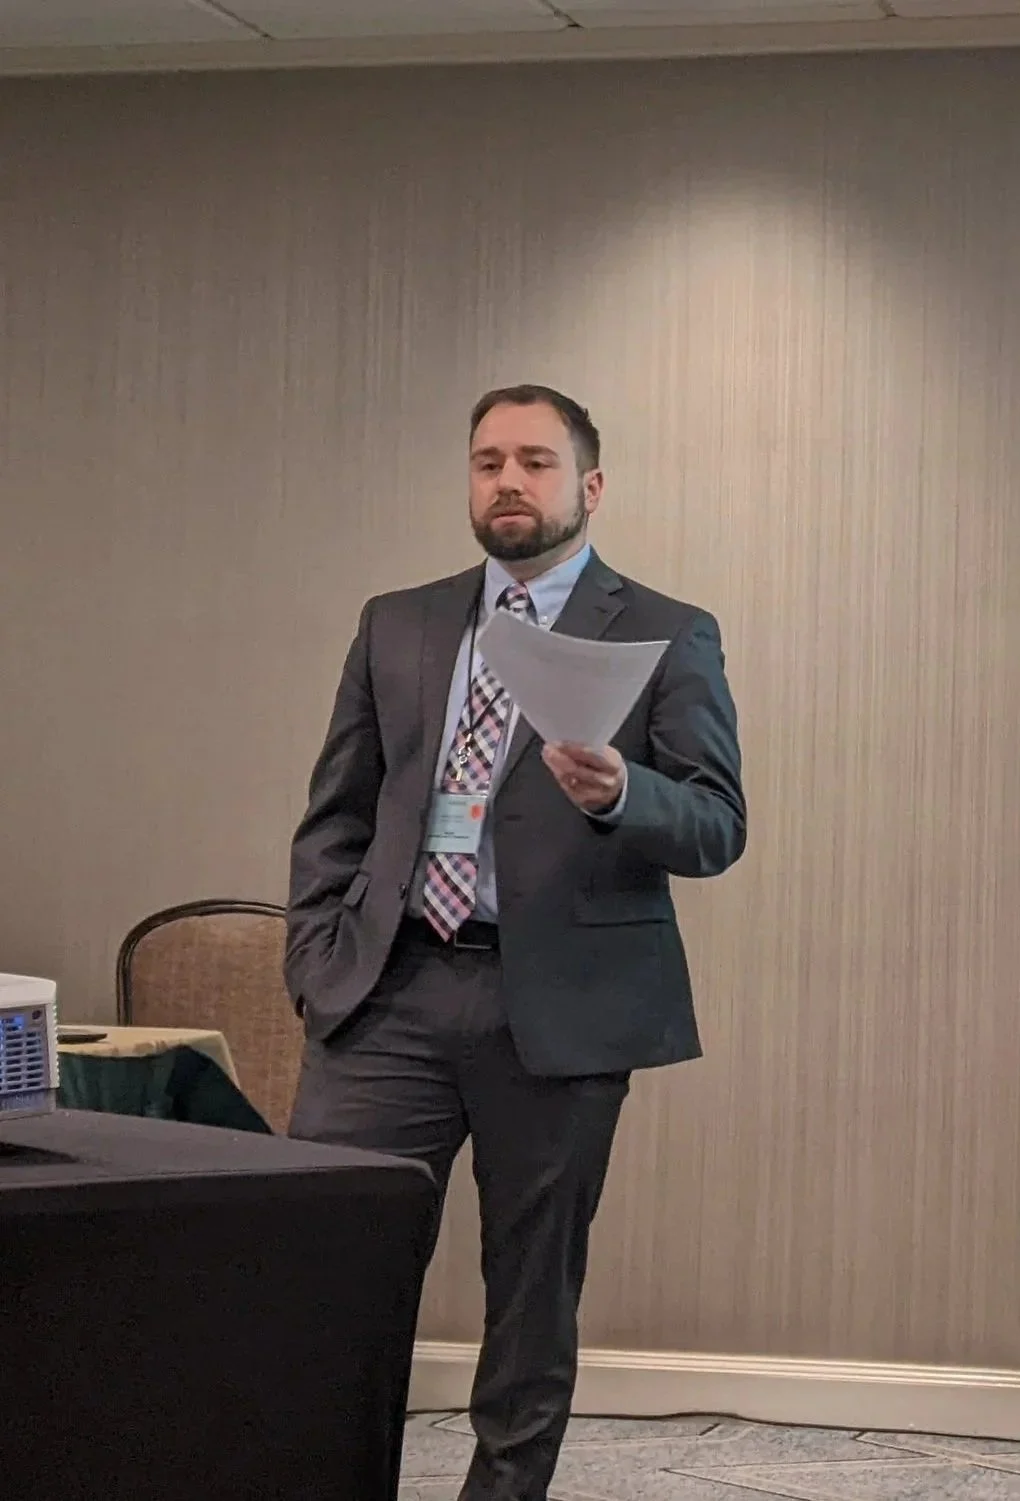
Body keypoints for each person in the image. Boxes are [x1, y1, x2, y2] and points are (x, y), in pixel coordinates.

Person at [283, 383, 747, 1500]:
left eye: (535, 462)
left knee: (529, 1291)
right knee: (325, 1273)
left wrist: (620, 791)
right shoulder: (399, 620)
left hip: (557, 1011)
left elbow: (717, 823)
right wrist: (316, 956)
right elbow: (339, 810)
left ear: (587, 486)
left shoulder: (663, 630)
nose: (507, 481)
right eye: (488, 461)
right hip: (386, 992)